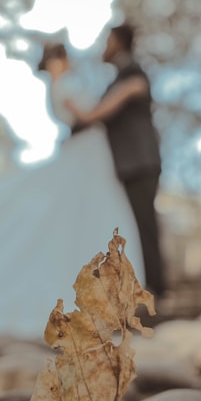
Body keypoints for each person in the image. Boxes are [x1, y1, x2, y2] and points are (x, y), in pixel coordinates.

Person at [63, 23, 166, 297]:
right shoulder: (120, 78)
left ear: (120, 42)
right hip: (128, 165)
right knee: (136, 224)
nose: (104, 47)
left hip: (140, 162)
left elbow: (100, 113)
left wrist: (78, 112)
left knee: (145, 224)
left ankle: (158, 287)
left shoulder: (134, 75)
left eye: (108, 40)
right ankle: (150, 284)